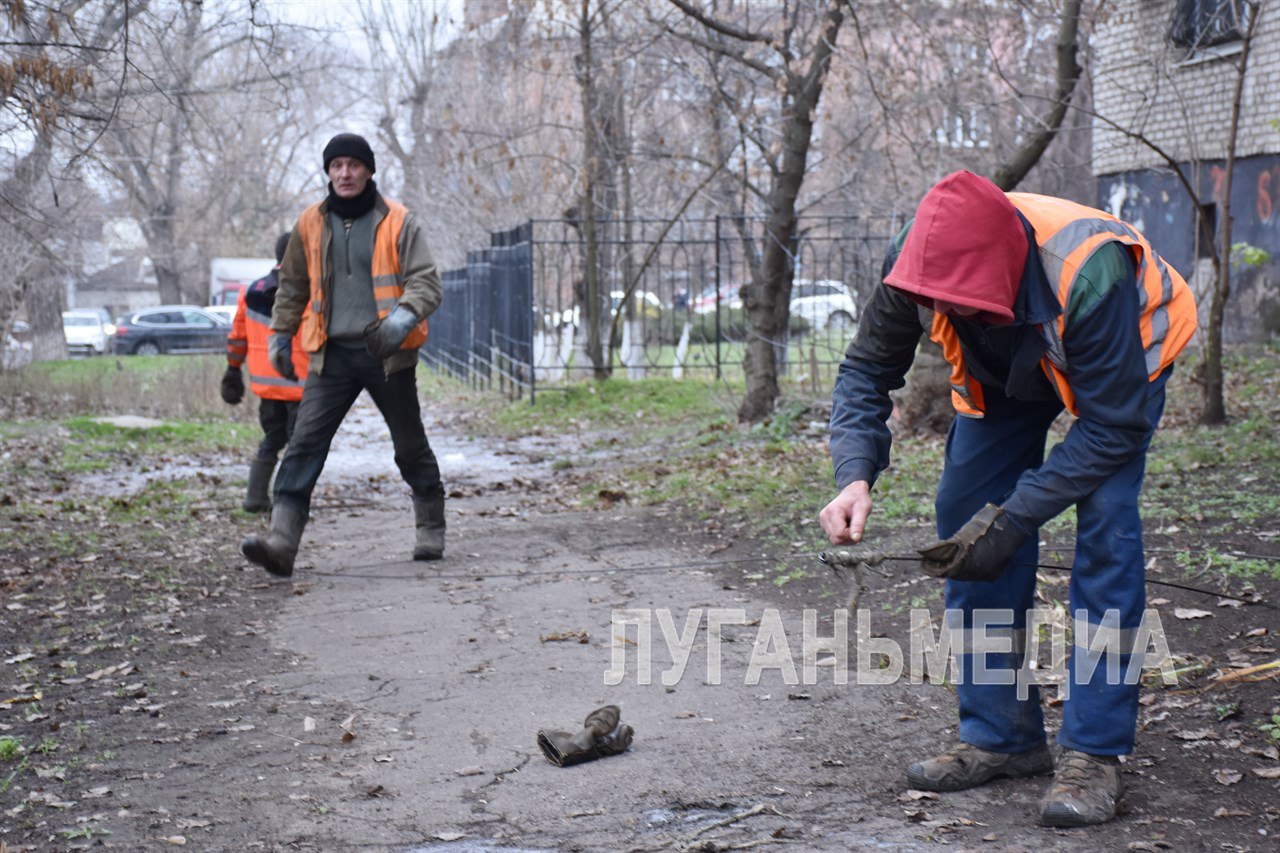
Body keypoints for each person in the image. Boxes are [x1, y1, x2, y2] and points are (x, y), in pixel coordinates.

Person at [819, 170, 1197, 827]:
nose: (943, 316)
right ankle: (1002, 735)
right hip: (1003, 370)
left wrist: (1015, 517)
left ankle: (1095, 752)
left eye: (960, 305)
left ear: (1006, 272)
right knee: (966, 520)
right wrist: (855, 475)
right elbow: (866, 370)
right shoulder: (914, 260)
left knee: (1106, 529)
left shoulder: (1091, 269)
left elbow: (1112, 429)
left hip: (1119, 357)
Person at [240, 132, 445, 578]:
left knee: (409, 443)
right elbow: (292, 286)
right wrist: (280, 336)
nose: (345, 173)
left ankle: (430, 524)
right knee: (304, 444)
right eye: (337, 166)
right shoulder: (310, 223)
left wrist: (401, 320)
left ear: (369, 170)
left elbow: (426, 282)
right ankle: (282, 541)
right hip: (330, 356)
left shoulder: (399, 221)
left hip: (387, 354)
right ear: (328, 172)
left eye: (353, 165)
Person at [221, 232, 309, 513]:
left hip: (267, 387)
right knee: (300, 447)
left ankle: (255, 497)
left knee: (272, 439)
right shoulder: (310, 290)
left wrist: (233, 369)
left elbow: (238, 336)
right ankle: (287, 504)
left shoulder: (251, 291)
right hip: (301, 385)